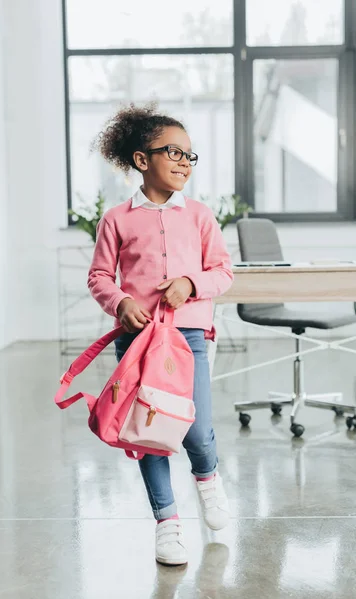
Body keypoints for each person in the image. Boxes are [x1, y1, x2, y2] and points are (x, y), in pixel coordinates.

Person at [88, 103, 234, 566]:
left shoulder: (200, 216)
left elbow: (223, 272)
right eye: (174, 152)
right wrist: (120, 302)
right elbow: (99, 277)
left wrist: (191, 285)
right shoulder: (116, 219)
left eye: (191, 156)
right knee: (149, 433)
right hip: (136, 342)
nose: (184, 162)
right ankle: (167, 524)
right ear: (141, 159)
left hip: (187, 338)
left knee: (195, 427)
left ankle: (208, 477)